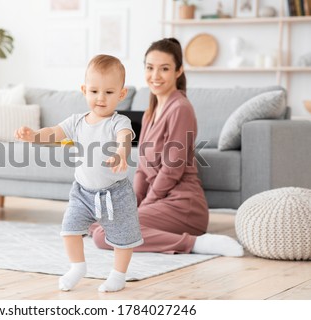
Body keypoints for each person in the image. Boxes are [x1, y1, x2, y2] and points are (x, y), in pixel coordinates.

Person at [90, 38, 244, 257]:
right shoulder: (150, 112)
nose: (155, 76)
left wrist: (144, 206)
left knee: (104, 234)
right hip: (159, 201)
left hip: (182, 204)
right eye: (150, 68)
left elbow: (172, 169)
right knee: (95, 222)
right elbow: (143, 170)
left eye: (164, 69)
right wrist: (131, 204)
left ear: (178, 71)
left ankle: (195, 243)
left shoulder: (180, 108)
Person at [15, 54, 143, 292]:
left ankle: (118, 275)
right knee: (69, 229)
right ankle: (77, 267)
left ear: (121, 95)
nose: (100, 98)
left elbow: (124, 138)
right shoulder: (76, 121)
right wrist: (34, 136)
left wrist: (121, 153)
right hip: (83, 192)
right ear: (84, 90)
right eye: (94, 91)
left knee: (124, 238)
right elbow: (54, 133)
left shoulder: (119, 122)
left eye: (109, 92)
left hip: (115, 195)